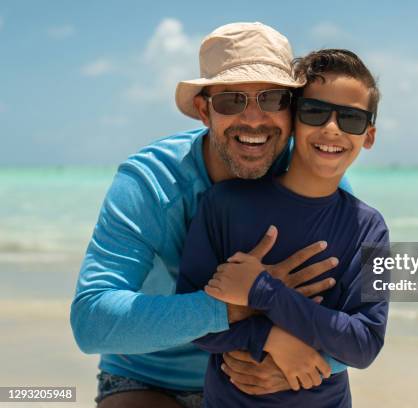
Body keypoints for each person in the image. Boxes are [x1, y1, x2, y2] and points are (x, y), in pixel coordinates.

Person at [70, 22, 352, 408]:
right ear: (204, 110)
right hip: (152, 381)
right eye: (231, 101)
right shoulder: (152, 183)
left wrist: (321, 361)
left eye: (272, 99)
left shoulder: (316, 182)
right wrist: (239, 304)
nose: (253, 119)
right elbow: (92, 321)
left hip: (268, 381)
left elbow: (363, 321)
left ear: (293, 111)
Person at [176, 49, 389, 407]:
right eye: (315, 112)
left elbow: (365, 344)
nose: (331, 129)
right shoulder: (224, 204)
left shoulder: (369, 228)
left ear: (368, 136)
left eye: (350, 120)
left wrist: (263, 292)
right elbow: (194, 324)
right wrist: (270, 336)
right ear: (293, 118)